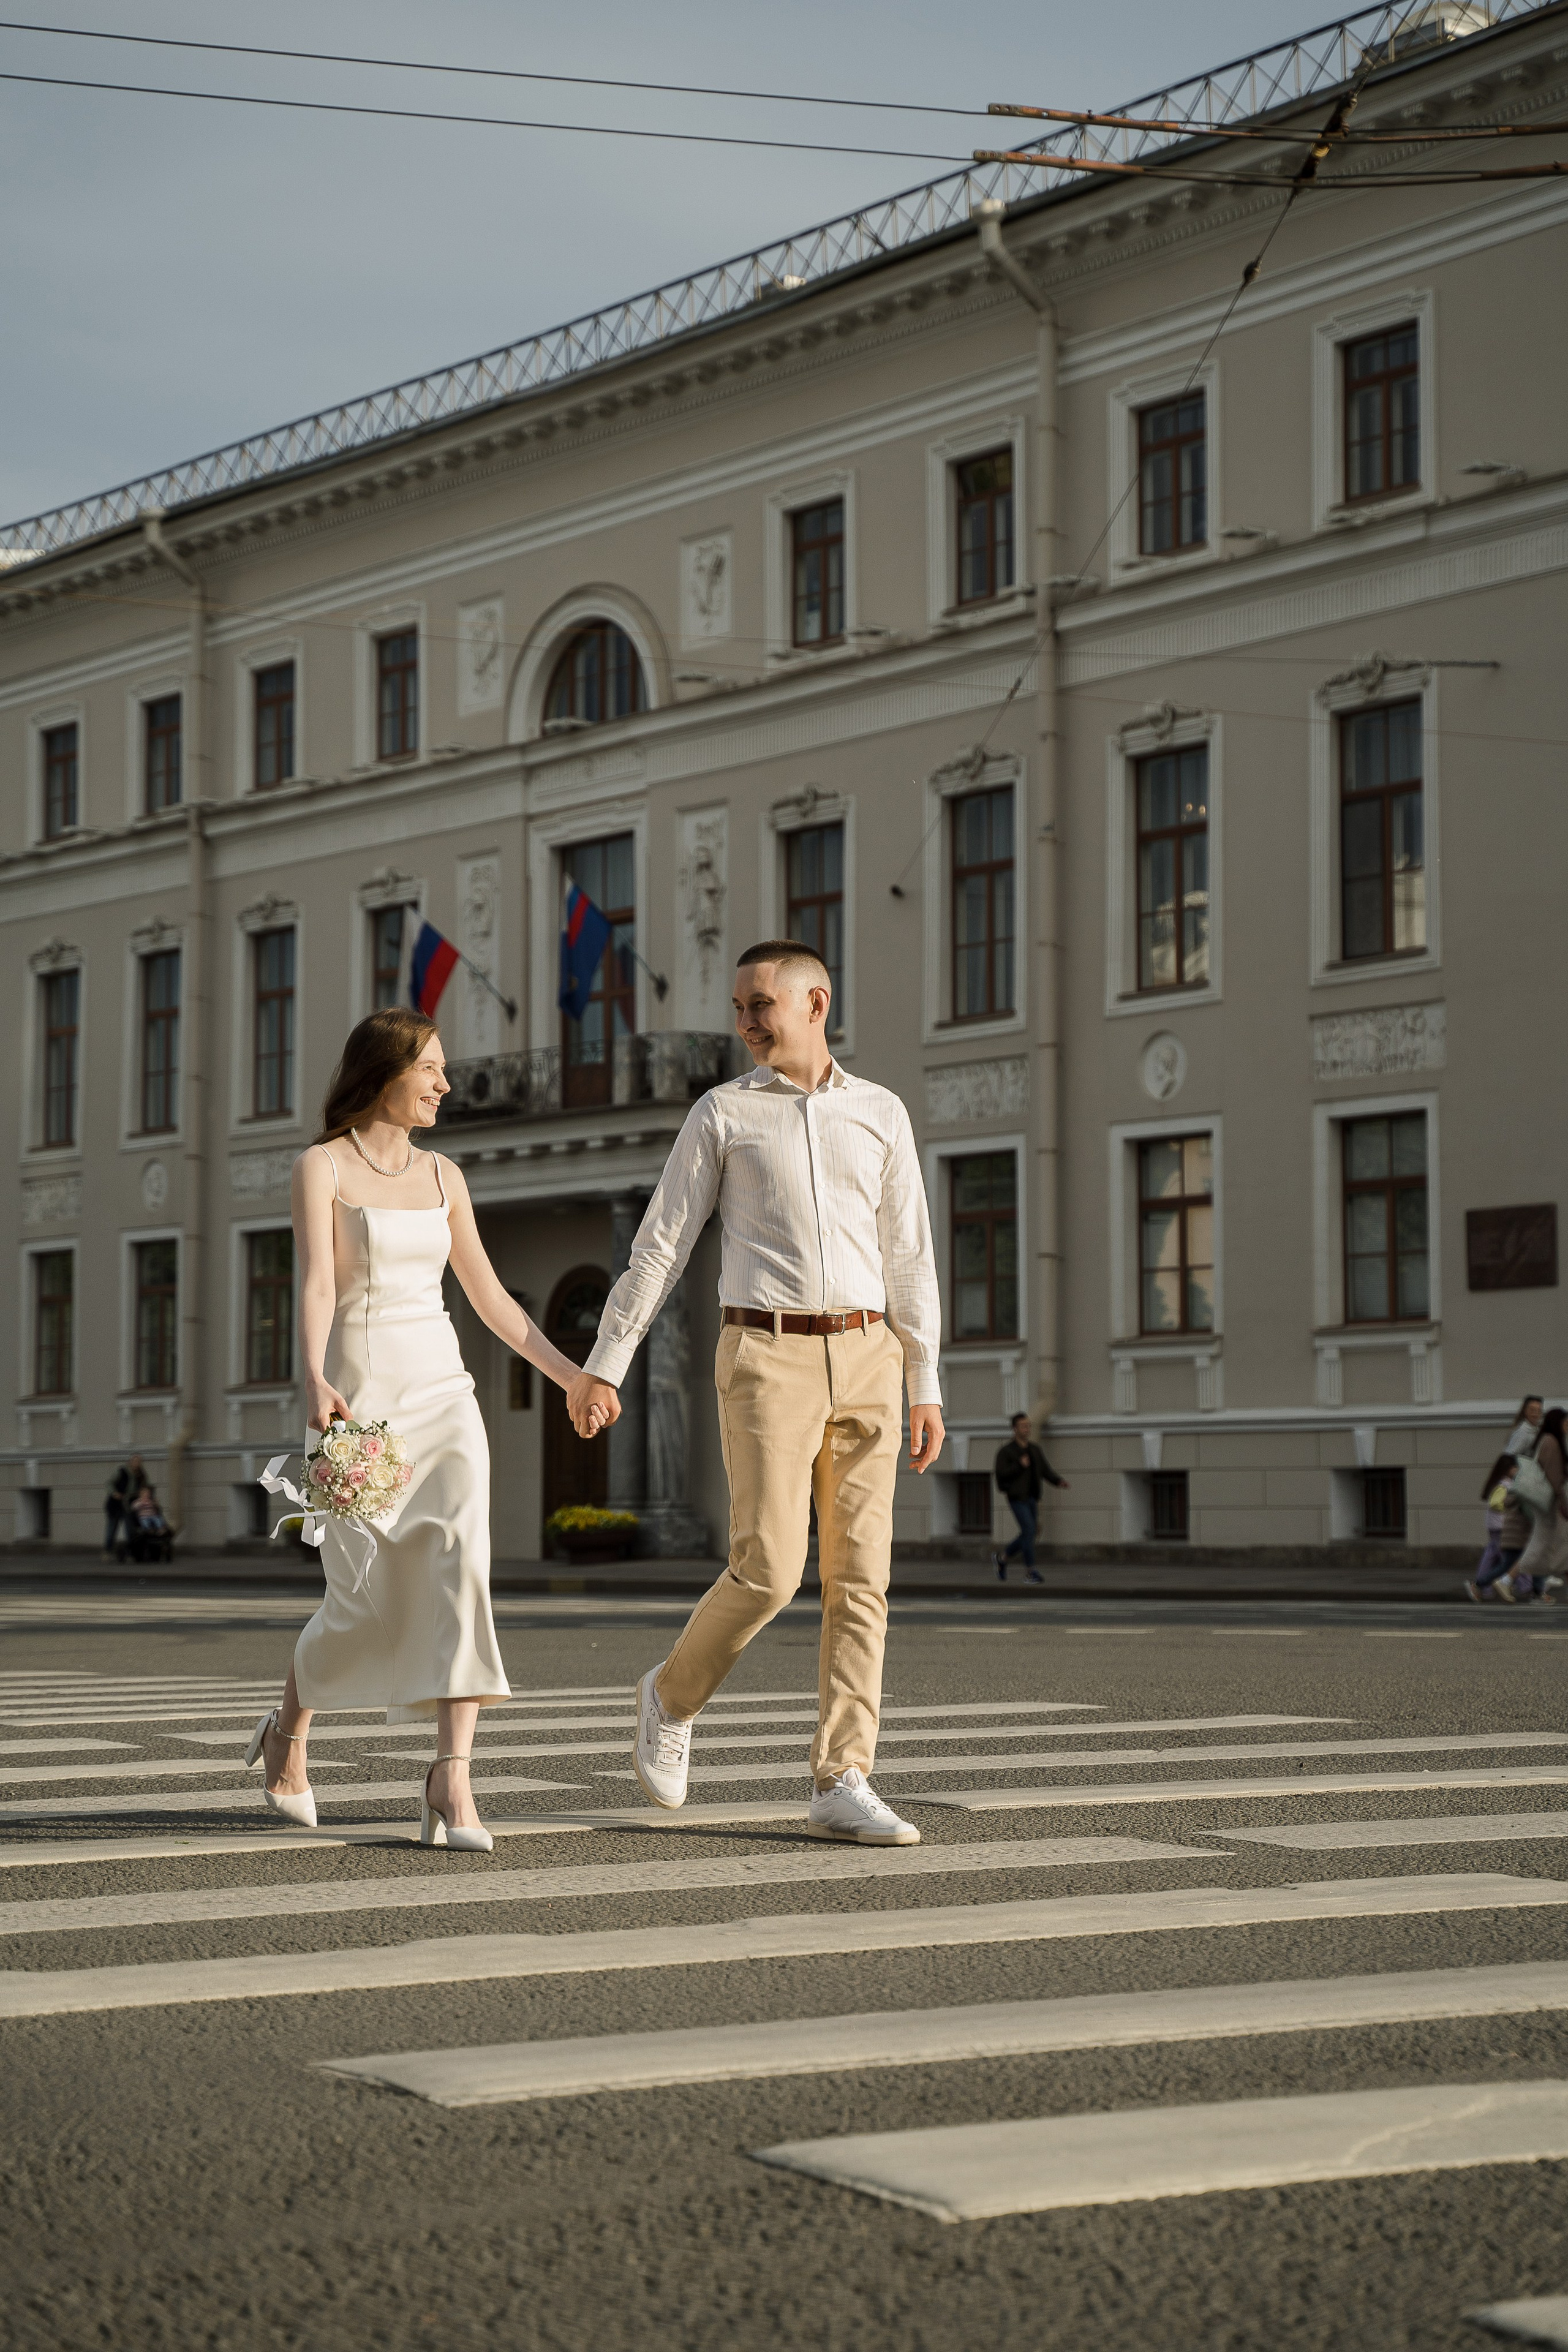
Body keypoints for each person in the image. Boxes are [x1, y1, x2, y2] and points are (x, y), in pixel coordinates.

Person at [567, 940, 943, 1847]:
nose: (744, 1020)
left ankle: (842, 1776)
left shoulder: (880, 1113)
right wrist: (605, 1363)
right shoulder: (723, 1114)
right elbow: (660, 1246)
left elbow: (910, 1256)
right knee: (771, 1569)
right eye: (739, 1005)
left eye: (760, 1003)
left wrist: (924, 1378)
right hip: (767, 1354)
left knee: (863, 1582)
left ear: (816, 1003)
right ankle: (669, 1693)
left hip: (868, 1357)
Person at [247, 1009, 602, 1850]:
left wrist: (573, 1375)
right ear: (384, 1073)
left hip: (444, 1395)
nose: (446, 1084)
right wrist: (312, 1375)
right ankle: (287, 1735)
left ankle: (453, 1775)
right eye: (431, 1069)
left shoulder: (445, 1176)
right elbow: (317, 1288)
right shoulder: (321, 1167)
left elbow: (490, 1299)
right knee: (358, 1596)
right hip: (361, 1398)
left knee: (460, 1569)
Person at [990, 1412, 1068, 1584]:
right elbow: (1001, 1475)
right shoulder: (1007, 1452)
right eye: (1023, 1426)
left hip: (1032, 1497)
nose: (1027, 1429)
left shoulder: (1034, 1450)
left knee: (1029, 1534)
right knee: (1029, 1531)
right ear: (1015, 1429)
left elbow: (1045, 1470)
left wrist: (1058, 1481)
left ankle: (1002, 1559)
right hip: (1017, 1498)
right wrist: (1019, 1465)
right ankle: (1030, 1572)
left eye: (1028, 1426)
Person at [1504, 1404, 1568, 1603]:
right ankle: (1507, 1580)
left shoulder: (1547, 1440)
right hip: (1549, 1505)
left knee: (1552, 1545)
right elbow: (1554, 1477)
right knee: (1541, 1546)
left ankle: (1510, 1581)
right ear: (1557, 1423)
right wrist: (1563, 1502)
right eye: (1566, 1423)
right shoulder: (1551, 1442)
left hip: (1547, 1503)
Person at [1465, 1453, 1518, 1603]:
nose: (1517, 1470)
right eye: (1515, 1467)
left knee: (1491, 1556)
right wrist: (1509, 1507)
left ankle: (1483, 1587)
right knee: (1510, 1559)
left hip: (1493, 1524)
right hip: (1501, 1525)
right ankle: (1523, 1586)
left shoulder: (1497, 1482)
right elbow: (1495, 1503)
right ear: (1508, 1469)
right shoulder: (1506, 1484)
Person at [102, 1452, 143, 1562]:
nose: (136, 1464)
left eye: (139, 1462)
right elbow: (109, 1483)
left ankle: (131, 1553)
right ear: (130, 1462)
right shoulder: (122, 1471)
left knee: (130, 1530)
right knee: (112, 1530)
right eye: (134, 1461)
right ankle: (108, 1552)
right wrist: (115, 1493)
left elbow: (146, 1487)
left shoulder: (140, 1475)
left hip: (129, 1506)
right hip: (116, 1505)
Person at [1507, 1396, 1544, 1460]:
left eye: (1539, 1411)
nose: (1536, 1414)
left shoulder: (1537, 1430)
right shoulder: (1522, 1431)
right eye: (1532, 1410)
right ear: (1525, 1411)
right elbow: (1510, 1454)